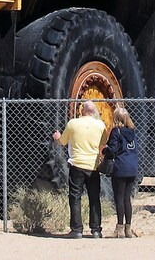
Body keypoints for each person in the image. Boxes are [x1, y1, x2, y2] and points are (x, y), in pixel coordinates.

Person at [52, 100, 107, 238]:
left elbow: (63, 142)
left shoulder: (73, 123)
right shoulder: (100, 125)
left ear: (82, 109)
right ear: (94, 111)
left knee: (75, 197)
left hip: (77, 165)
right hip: (93, 166)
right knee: (94, 198)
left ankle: (77, 229)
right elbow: (103, 144)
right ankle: (96, 230)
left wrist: (57, 137)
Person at [102, 106, 139, 238]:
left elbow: (112, 149)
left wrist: (104, 151)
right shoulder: (132, 131)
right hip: (132, 167)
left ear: (116, 118)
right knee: (127, 199)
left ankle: (119, 229)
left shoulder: (116, 131)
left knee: (119, 198)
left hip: (120, 167)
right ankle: (128, 229)